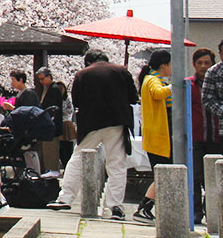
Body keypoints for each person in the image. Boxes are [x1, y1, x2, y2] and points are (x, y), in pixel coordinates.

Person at [46, 49, 138, 220]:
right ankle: (115, 206)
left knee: (78, 158)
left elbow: (77, 101)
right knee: (117, 164)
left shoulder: (82, 74)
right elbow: (133, 98)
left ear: (88, 62)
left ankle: (65, 198)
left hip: (91, 123)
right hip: (116, 122)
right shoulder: (121, 71)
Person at [133, 50, 172, 222]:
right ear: (164, 65)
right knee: (164, 173)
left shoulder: (153, 79)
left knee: (164, 173)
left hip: (158, 134)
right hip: (158, 135)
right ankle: (144, 206)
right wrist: (175, 86)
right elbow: (158, 93)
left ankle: (147, 206)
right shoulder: (152, 80)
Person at [188, 48, 223, 225]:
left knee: (212, 177)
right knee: (195, 176)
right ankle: (195, 213)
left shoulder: (217, 79)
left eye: (206, 62)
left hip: (216, 135)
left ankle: (211, 211)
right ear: (193, 65)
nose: (202, 66)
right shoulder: (188, 84)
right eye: (199, 63)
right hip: (196, 136)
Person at [35, 68, 64, 173]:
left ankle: (53, 172)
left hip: (52, 125)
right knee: (46, 152)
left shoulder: (54, 89)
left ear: (49, 76)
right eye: (39, 79)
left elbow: (54, 110)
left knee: (51, 152)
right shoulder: (48, 88)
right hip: (47, 125)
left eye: (43, 78)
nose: (41, 81)